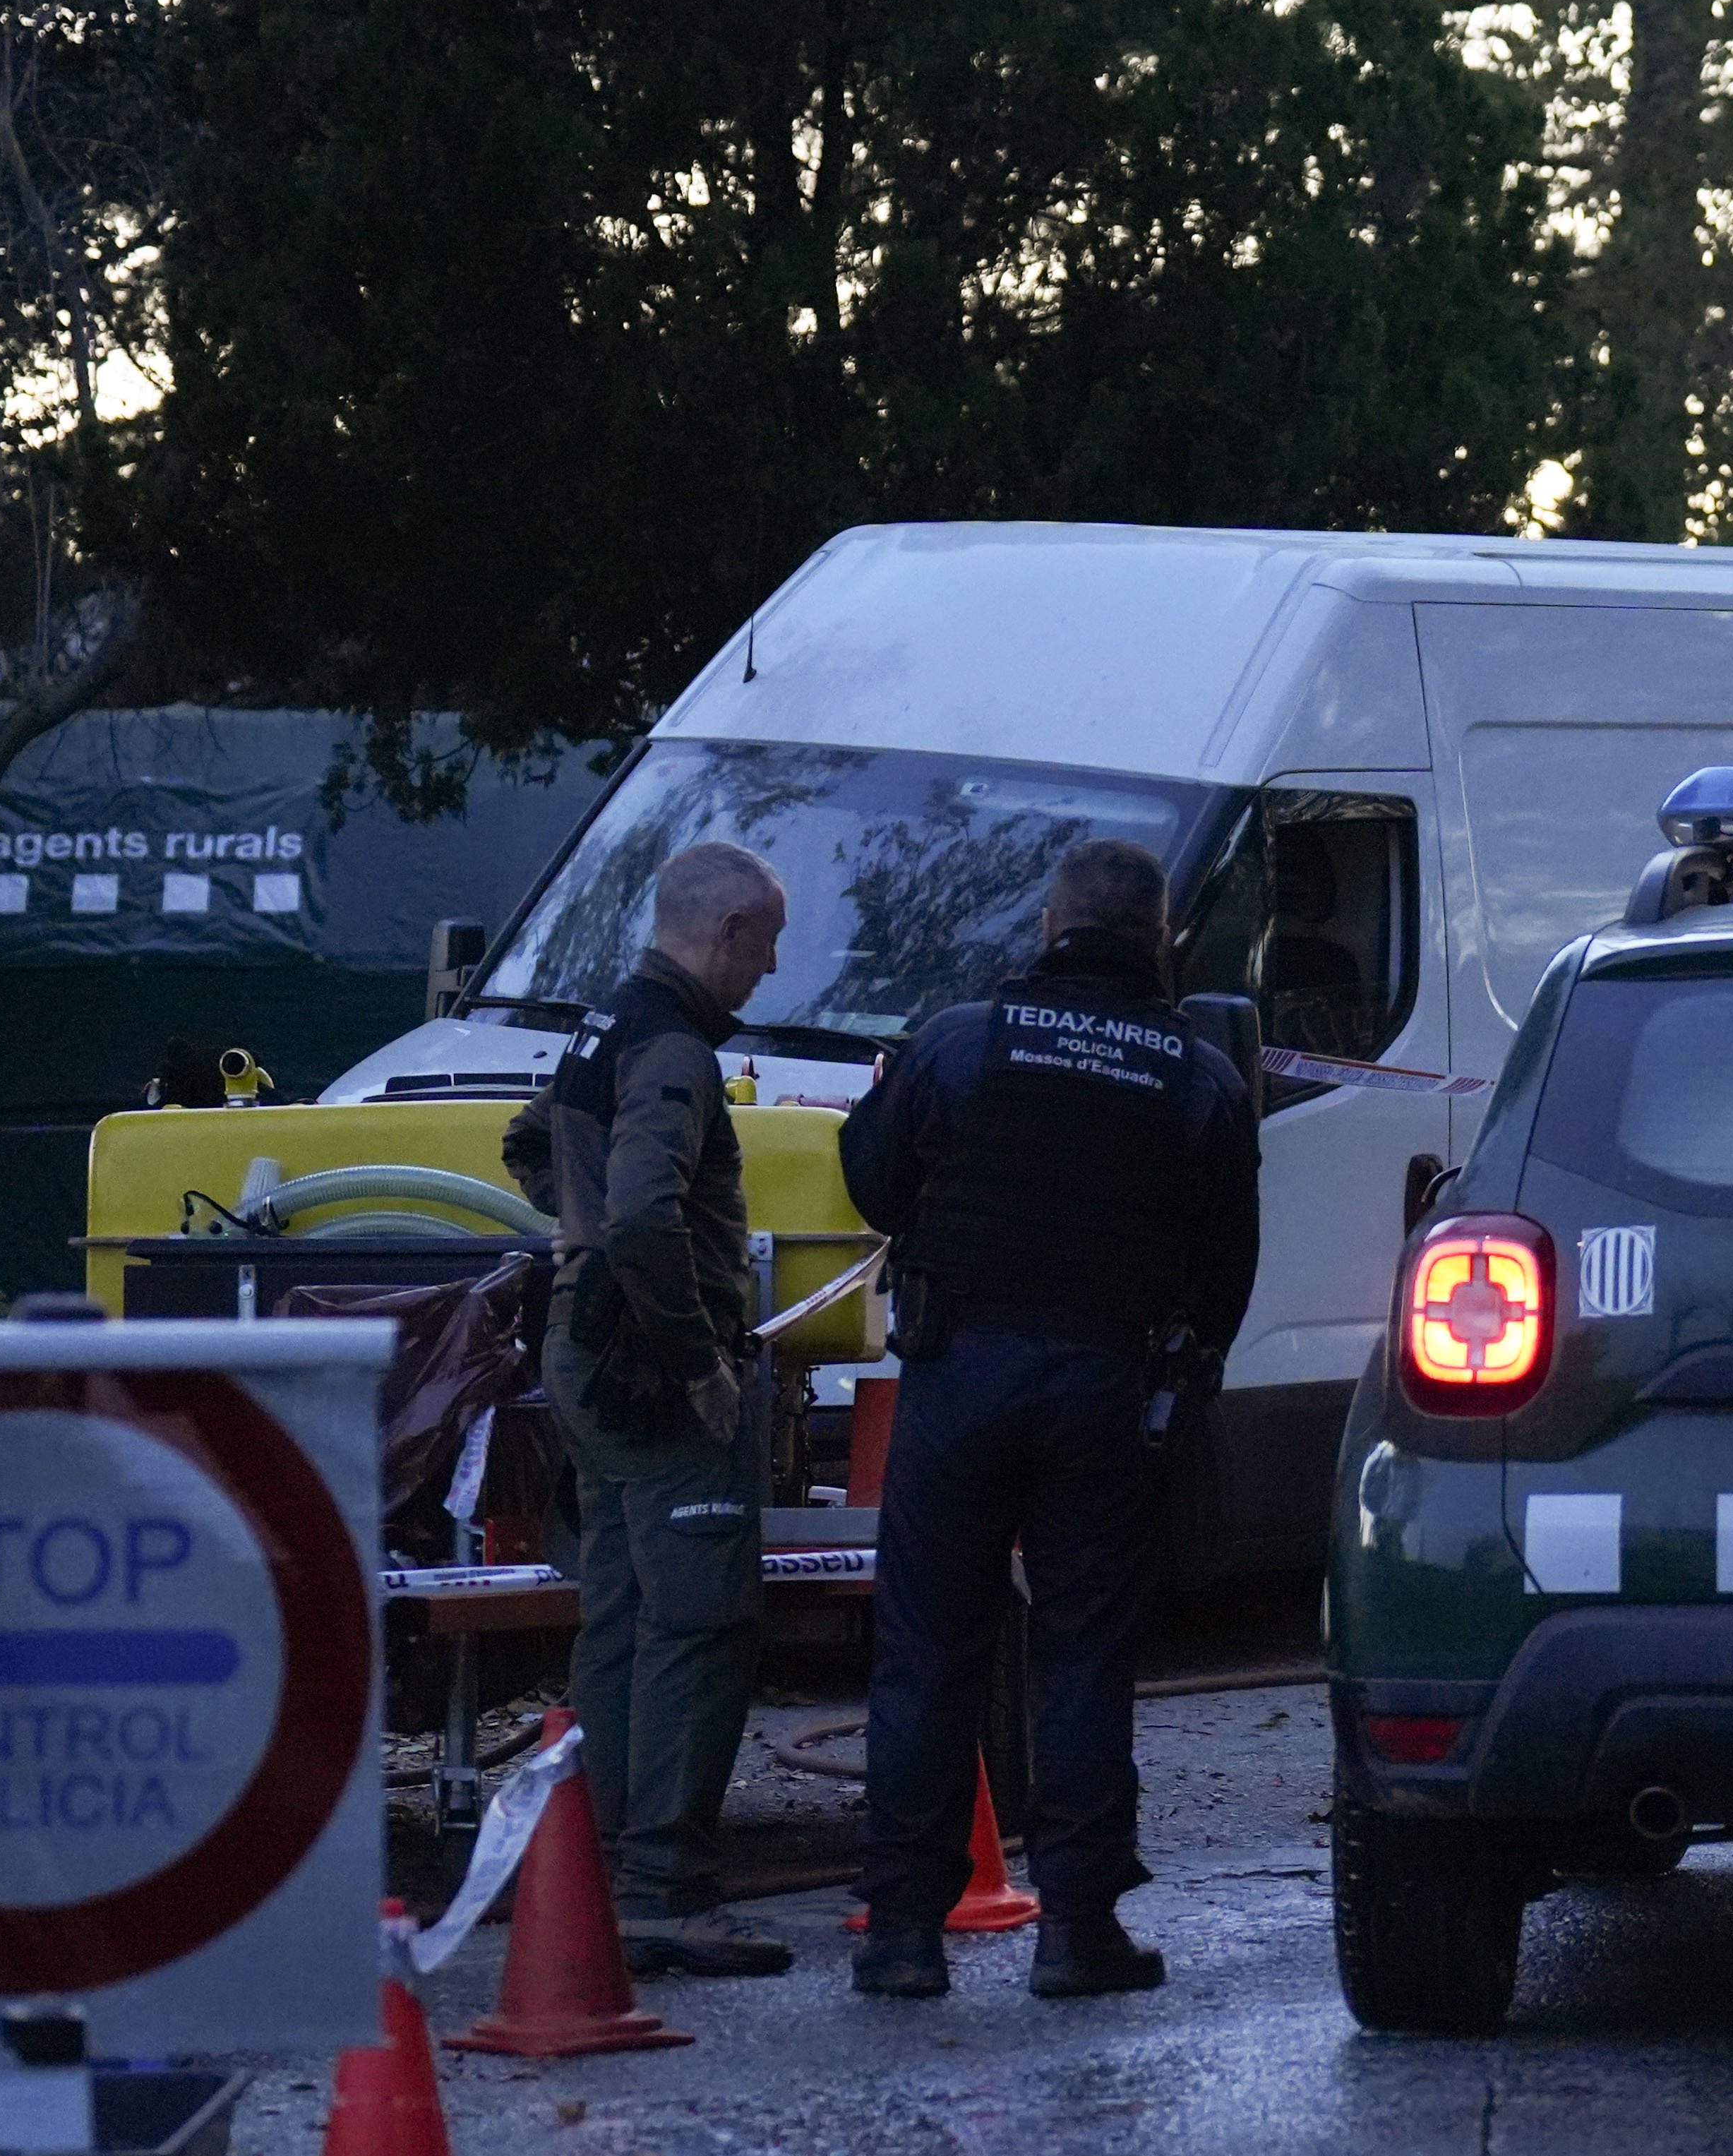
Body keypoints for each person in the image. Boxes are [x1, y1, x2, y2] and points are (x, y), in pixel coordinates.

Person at [840, 837, 1259, 1999]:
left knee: (928, 1652)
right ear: (1163, 940)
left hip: (959, 1369)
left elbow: (869, 1181)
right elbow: (1228, 1270)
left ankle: (905, 1938)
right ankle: (1077, 1932)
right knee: (1084, 1655)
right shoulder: (1198, 1077)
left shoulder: (960, 1041)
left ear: (1046, 928)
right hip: (1104, 1387)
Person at [503, 839, 798, 1980]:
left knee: (621, 1616)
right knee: (701, 1620)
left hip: (581, 1351)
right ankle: (667, 1890)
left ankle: (607, 1867)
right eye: (765, 949)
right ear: (726, 934)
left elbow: (533, 1141)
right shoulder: (674, 1048)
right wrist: (697, 1364)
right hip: (647, 1372)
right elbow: (638, 1217)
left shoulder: (606, 1024)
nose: (766, 975)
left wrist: (577, 1245)